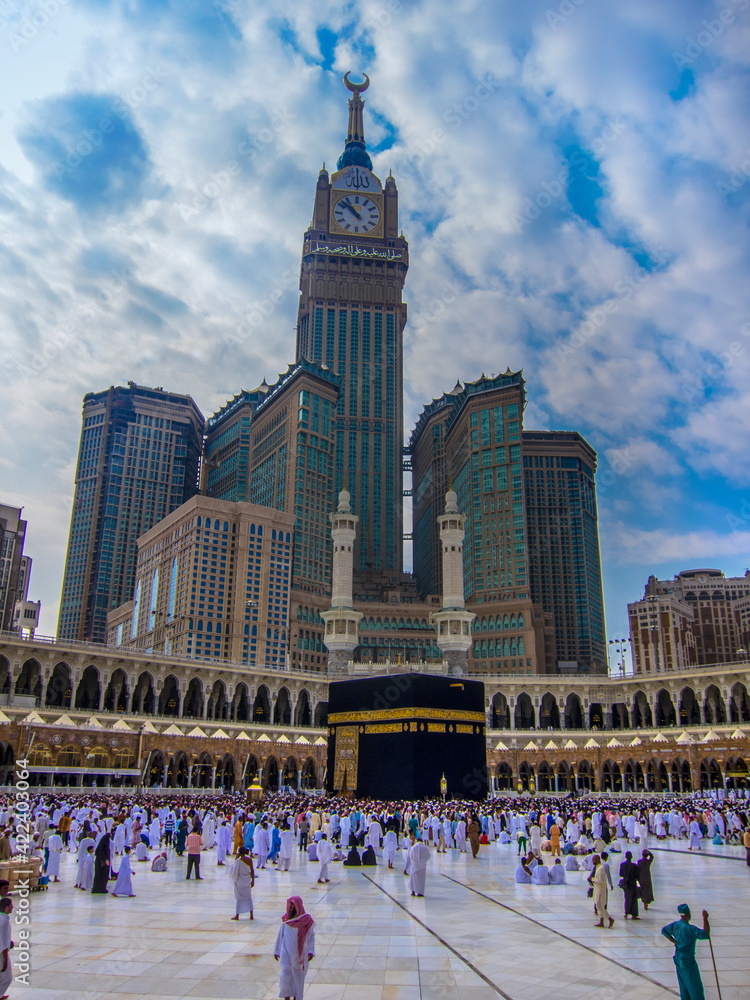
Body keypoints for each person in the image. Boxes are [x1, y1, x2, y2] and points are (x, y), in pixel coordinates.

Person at [661, 905, 710, 1000]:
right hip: (687, 959)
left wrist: (675, 941)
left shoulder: (675, 925)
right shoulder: (689, 928)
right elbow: (705, 934)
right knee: (694, 984)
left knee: (683, 983)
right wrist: (705, 918)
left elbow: (664, 931)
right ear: (688, 914)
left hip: (678, 957)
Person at [274, 896, 315, 1000]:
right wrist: (277, 950)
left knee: (297, 978)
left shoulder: (306, 921)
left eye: (293, 904)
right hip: (286, 953)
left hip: (300, 955)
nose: (291, 907)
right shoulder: (285, 920)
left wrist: (311, 951)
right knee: (285, 976)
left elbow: (311, 936)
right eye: (290, 904)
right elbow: (281, 935)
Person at [589, 854, 614, 928]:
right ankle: (601, 922)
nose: (592, 861)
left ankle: (610, 919)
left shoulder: (601, 869)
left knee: (599, 906)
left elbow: (601, 881)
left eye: (593, 860)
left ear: (597, 860)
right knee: (600, 906)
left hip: (600, 890)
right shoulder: (598, 867)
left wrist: (592, 879)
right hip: (598, 889)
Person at [230, 847, 255, 920]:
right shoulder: (249, 860)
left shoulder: (238, 861)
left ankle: (237, 915)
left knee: (239, 898)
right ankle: (251, 915)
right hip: (247, 880)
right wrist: (253, 880)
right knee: (248, 897)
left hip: (239, 881)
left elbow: (233, 869)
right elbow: (252, 870)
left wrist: (236, 857)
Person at [619, 851, 640, 920]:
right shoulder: (634, 865)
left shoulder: (622, 865)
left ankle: (626, 913)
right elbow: (637, 875)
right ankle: (634, 914)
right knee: (634, 899)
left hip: (626, 883)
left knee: (627, 898)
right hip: (632, 883)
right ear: (631, 857)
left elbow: (621, 874)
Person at [0, 897, 12, 1000]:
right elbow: (3, 943)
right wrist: (5, 961)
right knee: (7, 977)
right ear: (7, 907)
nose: (13, 907)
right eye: (11, 905)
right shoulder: (4, 921)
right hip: (1, 954)